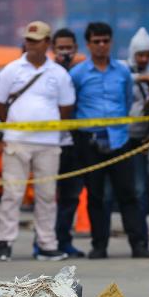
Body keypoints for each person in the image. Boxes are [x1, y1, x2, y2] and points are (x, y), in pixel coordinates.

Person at [0, 21, 75, 261]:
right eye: (28, 40)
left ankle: (47, 243)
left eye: (36, 41)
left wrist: (49, 126)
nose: (31, 44)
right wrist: (13, 125)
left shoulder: (58, 73)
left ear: (47, 43)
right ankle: (4, 242)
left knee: (47, 195)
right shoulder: (12, 70)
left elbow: (66, 107)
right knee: (12, 192)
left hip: (48, 143)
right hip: (18, 141)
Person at [69, 22, 149, 259]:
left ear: (111, 42)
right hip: (91, 141)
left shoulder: (123, 71)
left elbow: (126, 101)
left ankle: (138, 244)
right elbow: (72, 106)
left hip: (119, 139)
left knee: (128, 194)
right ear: (88, 44)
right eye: (97, 41)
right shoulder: (77, 74)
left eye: (106, 40)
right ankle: (99, 245)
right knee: (96, 195)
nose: (102, 45)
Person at [52, 28, 87, 258]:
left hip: (74, 141)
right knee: (46, 195)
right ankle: (44, 241)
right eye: (60, 48)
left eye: (69, 48)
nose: (65, 52)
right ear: (53, 50)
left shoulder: (82, 73)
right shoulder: (47, 73)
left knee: (71, 195)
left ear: (75, 49)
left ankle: (64, 240)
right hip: (49, 141)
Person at [126, 27, 149, 228]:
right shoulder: (122, 70)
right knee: (111, 190)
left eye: (148, 55)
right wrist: (140, 78)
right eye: (140, 54)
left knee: (140, 188)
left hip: (142, 139)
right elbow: (116, 80)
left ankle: (140, 232)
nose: (144, 59)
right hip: (120, 138)